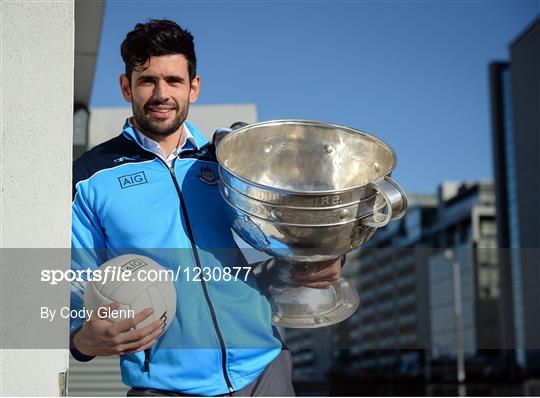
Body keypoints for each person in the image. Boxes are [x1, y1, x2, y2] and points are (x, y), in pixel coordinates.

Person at [69, 19, 342, 396]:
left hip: (263, 371)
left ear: (193, 88)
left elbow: (284, 233)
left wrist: (322, 258)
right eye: (147, 80)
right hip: (165, 385)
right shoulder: (90, 176)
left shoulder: (228, 161)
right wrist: (80, 340)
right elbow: (73, 280)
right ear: (125, 86)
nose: (161, 93)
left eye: (174, 81)